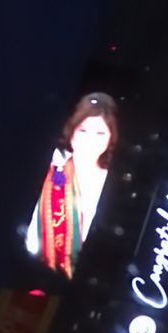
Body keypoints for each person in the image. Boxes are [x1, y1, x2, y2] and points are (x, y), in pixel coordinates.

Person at [25, 92, 119, 279]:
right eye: (83, 130)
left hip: (70, 276)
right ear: (72, 130)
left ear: (111, 137)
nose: (90, 139)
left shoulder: (111, 184)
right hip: (26, 263)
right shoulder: (52, 162)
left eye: (100, 133)